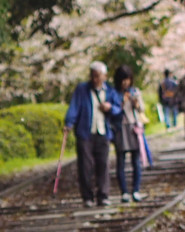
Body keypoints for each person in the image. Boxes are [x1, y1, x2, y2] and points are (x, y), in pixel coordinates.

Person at [63, 61, 122, 206]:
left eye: (98, 76)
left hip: (103, 132)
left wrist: (109, 108)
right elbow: (74, 107)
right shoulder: (82, 89)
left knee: (103, 165)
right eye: (93, 76)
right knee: (85, 166)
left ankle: (103, 195)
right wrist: (69, 122)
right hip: (85, 132)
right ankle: (87, 197)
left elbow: (118, 109)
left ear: (105, 76)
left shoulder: (110, 91)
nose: (95, 79)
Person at [113, 66, 147, 202]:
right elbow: (113, 111)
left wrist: (136, 102)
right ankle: (124, 192)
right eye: (123, 80)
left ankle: (136, 190)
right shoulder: (114, 93)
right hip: (120, 128)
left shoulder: (135, 91)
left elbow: (142, 109)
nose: (125, 83)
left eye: (127, 80)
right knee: (120, 161)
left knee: (136, 161)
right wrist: (123, 101)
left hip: (134, 128)